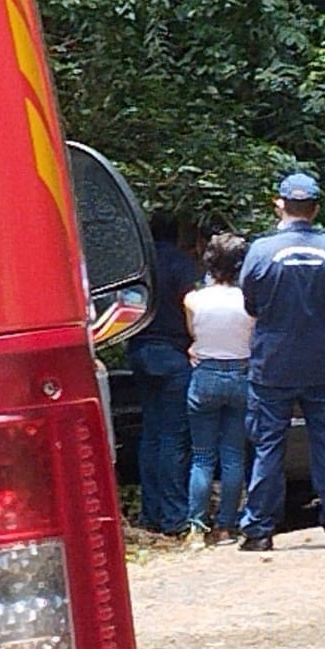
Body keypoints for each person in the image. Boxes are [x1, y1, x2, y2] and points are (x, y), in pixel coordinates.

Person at [236, 173, 325, 552]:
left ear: (280, 204)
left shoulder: (260, 251)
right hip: (322, 360)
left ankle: (258, 531)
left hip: (273, 363)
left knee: (269, 445)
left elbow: (251, 304)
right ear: (316, 208)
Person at [127, 212, 201, 535]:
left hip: (140, 350)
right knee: (173, 436)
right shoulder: (182, 264)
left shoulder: (136, 263)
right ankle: (174, 517)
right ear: (178, 234)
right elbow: (192, 306)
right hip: (173, 354)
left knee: (151, 434)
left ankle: (151, 513)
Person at [182, 232, 255, 546]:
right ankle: (227, 526)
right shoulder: (249, 301)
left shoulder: (193, 299)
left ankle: (196, 528)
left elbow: (193, 337)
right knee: (233, 456)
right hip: (240, 373)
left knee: (201, 457)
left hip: (205, 374)